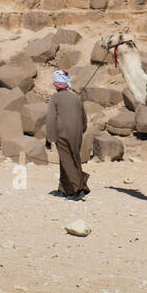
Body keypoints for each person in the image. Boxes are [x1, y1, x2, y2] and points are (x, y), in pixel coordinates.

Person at [45, 70, 89, 199]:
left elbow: (51, 118)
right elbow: (84, 118)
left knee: (67, 160)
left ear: (56, 84)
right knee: (71, 158)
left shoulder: (55, 98)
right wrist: (81, 130)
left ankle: (78, 189)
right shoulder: (76, 97)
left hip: (62, 133)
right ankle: (63, 188)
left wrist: (49, 138)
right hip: (77, 133)